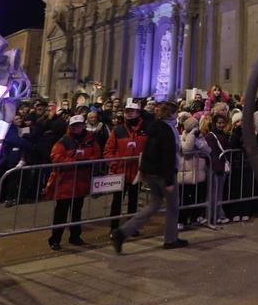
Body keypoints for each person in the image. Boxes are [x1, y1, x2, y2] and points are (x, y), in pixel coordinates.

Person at [111, 98, 187, 252]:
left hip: (149, 172)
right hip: (163, 173)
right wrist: (169, 180)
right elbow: (167, 155)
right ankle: (170, 239)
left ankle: (122, 232)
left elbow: (147, 150)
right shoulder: (168, 131)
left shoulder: (154, 126)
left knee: (154, 204)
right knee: (173, 207)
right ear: (172, 114)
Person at [44, 114, 100, 250]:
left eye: (79, 125)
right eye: (74, 125)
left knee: (77, 211)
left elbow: (97, 154)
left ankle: (75, 236)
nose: (76, 128)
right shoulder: (63, 141)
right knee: (61, 212)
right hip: (65, 182)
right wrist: (78, 162)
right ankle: (55, 239)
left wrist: (84, 162)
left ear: (83, 125)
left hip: (81, 181)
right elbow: (57, 157)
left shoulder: (90, 140)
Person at [104, 98, 147, 232]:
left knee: (133, 201)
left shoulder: (145, 130)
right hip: (120, 172)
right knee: (117, 201)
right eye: (127, 111)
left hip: (137, 172)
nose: (129, 113)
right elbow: (108, 150)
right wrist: (114, 164)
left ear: (138, 112)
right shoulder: (118, 130)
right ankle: (114, 228)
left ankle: (131, 227)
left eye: (132, 111)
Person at [204, 110, 234, 225]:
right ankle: (212, 216)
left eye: (223, 123)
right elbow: (212, 154)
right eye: (219, 123)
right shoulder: (210, 136)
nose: (221, 125)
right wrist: (217, 167)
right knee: (213, 194)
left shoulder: (224, 135)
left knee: (219, 193)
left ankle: (218, 215)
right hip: (215, 169)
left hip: (222, 168)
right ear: (214, 123)